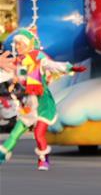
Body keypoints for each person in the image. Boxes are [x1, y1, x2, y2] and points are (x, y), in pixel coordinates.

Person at [0, 28, 84, 170]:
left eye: (19, 43)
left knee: (39, 134)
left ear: (28, 44)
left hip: (43, 103)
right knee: (15, 132)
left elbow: (53, 65)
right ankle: (2, 155)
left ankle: (43, 158)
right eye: (16, 44)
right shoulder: (16, 62)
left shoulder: (38, 58)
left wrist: (70, 68)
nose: (17, 46)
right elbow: (4, 75)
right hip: (27, 104)